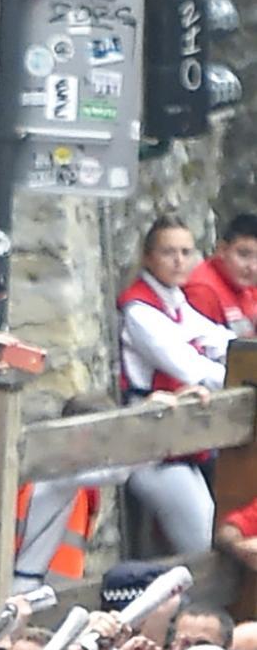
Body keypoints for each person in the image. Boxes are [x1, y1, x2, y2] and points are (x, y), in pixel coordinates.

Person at [119, 216, 228, 554]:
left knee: (210, 531)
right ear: (149, 257)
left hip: (179, 440)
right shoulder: (141, 310)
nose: (179, 261)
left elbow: (219, 338)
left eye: (186, 251)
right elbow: (188, 365)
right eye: (168, 252)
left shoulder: (174, 301)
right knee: (203, 545)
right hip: (151, 444)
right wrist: (236, 373)